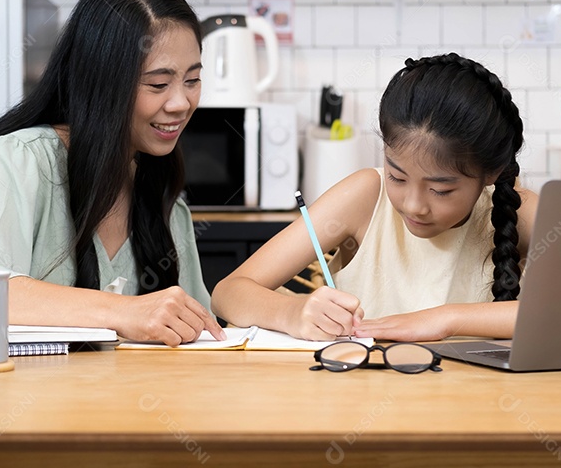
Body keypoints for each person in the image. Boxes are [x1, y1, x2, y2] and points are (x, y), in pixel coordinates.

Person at [0, 0, 223, 347]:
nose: (181, 103)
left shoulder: (165, 198)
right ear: (101, 82)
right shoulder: (23, 160)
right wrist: (121, 311)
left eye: (193, 79)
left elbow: (201, 330)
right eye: (157, 84)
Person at [212, 53, 538, 342]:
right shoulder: (365, 196)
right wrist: (293, 312)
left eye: (440, 190)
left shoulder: (518, 210)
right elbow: (229, 292)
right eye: (397, 176)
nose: (413, 204)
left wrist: (444, 320)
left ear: (490, 174)